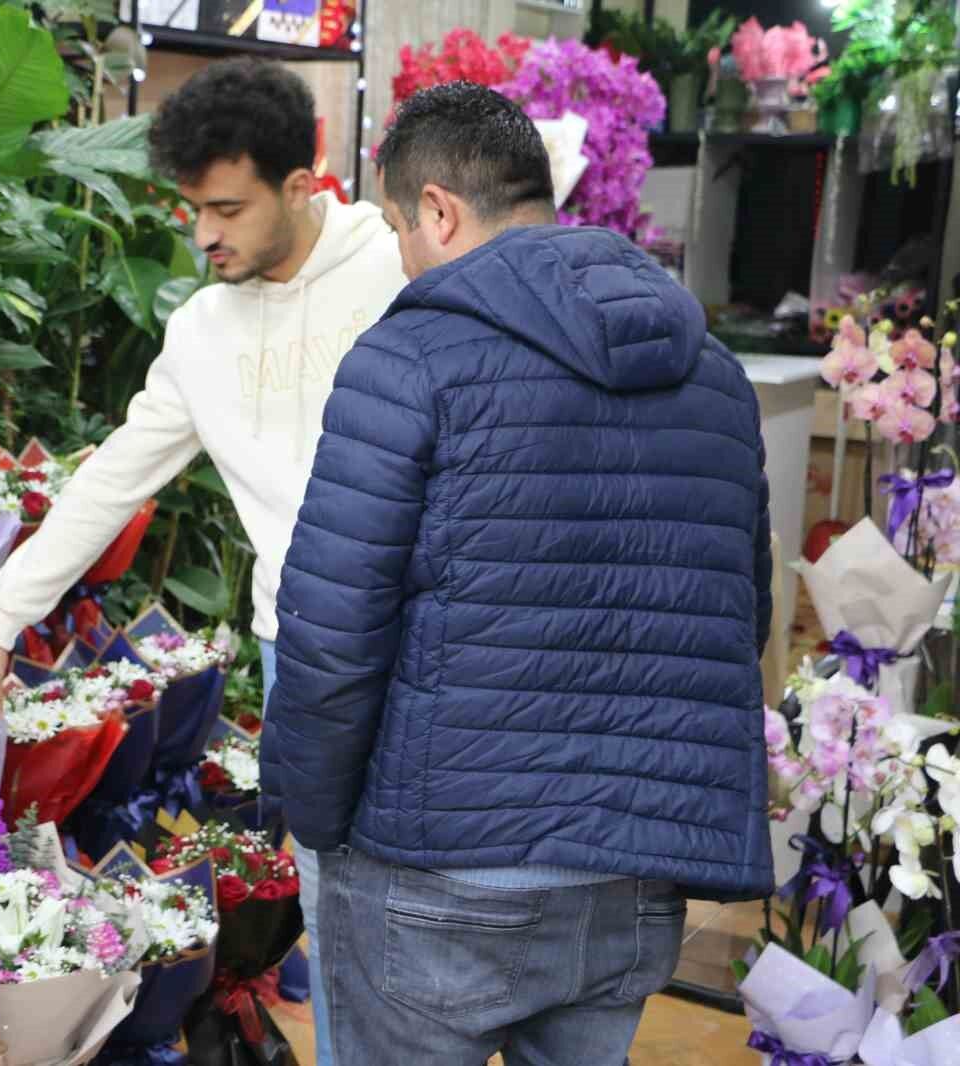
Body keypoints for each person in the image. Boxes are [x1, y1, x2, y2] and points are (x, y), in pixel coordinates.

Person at [263, 82, 774, 1065]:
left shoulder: (409, 356)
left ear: (440, 211)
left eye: (398, 229)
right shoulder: (711, 372)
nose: (403, 258)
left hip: (435, 871)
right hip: (629, 884)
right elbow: (732, 616)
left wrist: (317, 831)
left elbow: (331, 632)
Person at [0, 58, 403, 1066]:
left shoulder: (393, 265)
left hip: (433, 642)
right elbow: (104, 485)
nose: (203, 234)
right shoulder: (199, 334)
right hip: (306, 655)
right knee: (339, 911)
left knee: (429, 917)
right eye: (190, 210)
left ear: (299, 187)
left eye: (225, 207)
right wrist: (0, 626)